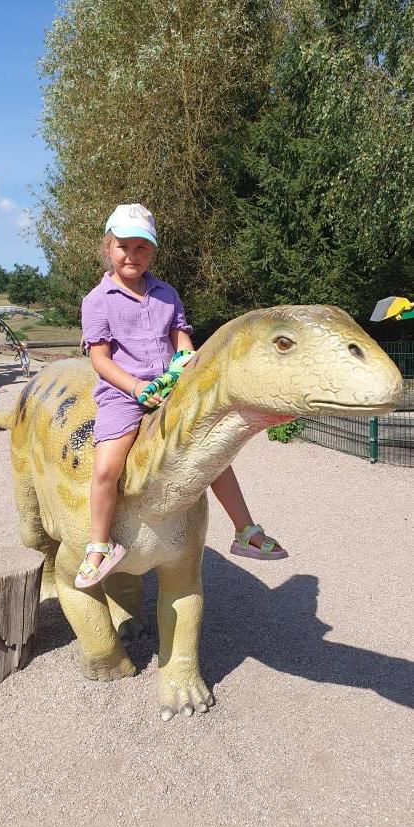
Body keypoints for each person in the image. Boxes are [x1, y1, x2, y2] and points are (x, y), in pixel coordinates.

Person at [75, 203, 287, 589]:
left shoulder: (166, 294)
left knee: (212, 450)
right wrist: (136, 387)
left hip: (171, 388)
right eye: (123, 246)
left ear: (152, 251)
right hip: (123, 394)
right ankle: (99, 545)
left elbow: (182, 341)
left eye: (141, 247)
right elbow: (100, 359)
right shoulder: (97, 300)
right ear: (108, 247)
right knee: (106, 468)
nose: (132, 255)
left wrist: (184, 365)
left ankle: (244, 529)